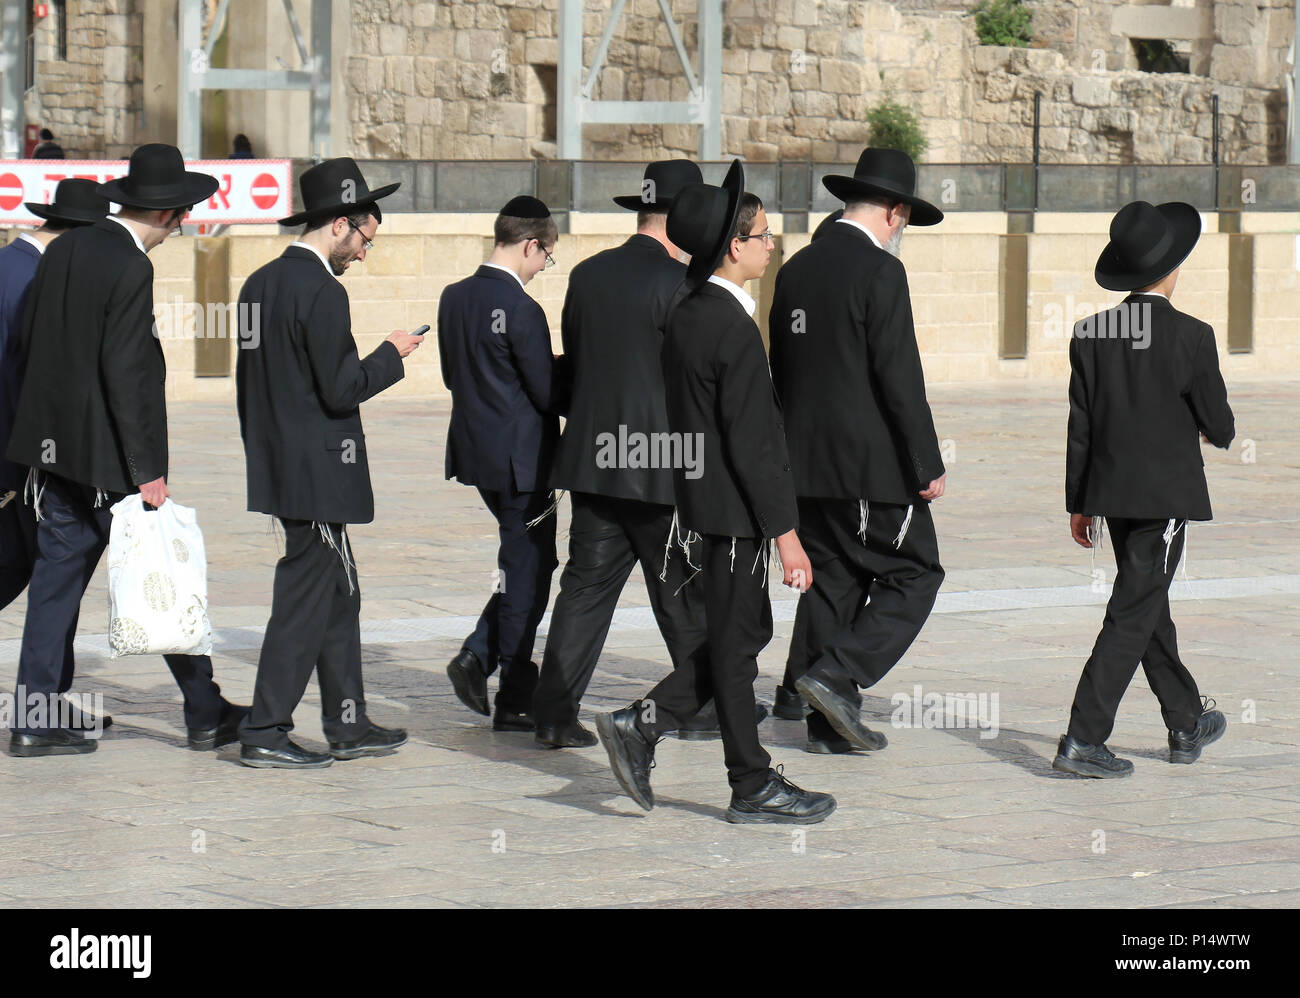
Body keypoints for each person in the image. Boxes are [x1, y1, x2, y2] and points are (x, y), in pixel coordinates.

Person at [595, 161, 836, 824]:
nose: (770, 247)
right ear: (735, 246)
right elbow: (753, 443)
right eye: (763, 237)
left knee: (741, 634)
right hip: (733, 514)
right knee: (735, 647)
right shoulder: (727, 327)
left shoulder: (691, 312)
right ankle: (743, 778)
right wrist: (787, 536)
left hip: (709, 505)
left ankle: (647, 725)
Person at [5, 144, 246, 757]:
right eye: (183, 215)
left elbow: (27, 344)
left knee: (55, 586)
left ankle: (33, 717)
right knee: (158, 573)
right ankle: (205, 710)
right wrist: (148, 472)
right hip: (108, 459)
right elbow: (128, 371)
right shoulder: (130, 267)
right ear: (167, 214)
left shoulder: (65, 250)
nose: (182, 226)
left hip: (53, 455)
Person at [533, 160, 761, 748]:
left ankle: (554, 715)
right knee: (686, 592)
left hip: (594, 459)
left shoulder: (586, 275)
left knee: (585, 591)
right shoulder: (683, 286)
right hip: (662, 466)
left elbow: (577, 367)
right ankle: (701, 705)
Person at [235, 157, 422, 769]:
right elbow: (341, 389)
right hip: (316, 475)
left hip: (282, 466)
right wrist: (391, 356)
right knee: (304, 600)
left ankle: (348, 723)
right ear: (341, 224)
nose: (365, 254)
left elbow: (254, 389)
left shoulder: (258, 283)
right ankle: (264, 728)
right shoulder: (321, 290)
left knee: (340, 594)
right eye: (366, 239)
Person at [774, 148, 948, 754]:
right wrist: (926, 464)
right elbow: (899, 377)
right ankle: (835, 675)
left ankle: (825, 724)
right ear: (896, 212)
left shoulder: (795, 269)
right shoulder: (881, 273)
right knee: (916, 572)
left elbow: (783, 370)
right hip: (868, 470)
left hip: (805, 466)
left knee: (835, 581)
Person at [1055, 200, 1234, 778]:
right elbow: (1222, 426)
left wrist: (1080, 503)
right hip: (1164, 498)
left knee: (1146, 601)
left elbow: (1080, 424)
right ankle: (1083, 737)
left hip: (1110, 496)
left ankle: (1186, 721)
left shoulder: (1091, 332)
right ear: (1171, 266)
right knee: (1134, 609)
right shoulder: (1192, 335)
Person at [440, 196, 561, 734]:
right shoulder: (521, 308)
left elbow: (451, 375)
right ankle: (510, 685)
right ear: (531, 243)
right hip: (523, 463)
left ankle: (482, 657)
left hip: (476, 454)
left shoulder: (454, 297)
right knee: (527, 570)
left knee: (528, 564)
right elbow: (546, 392)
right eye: (546, 257)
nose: (541, 268)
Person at [1, 180, 108, 613]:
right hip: (16, 456)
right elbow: (23, 376)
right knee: (27, 562)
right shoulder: (32, 278)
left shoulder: (11, 263)